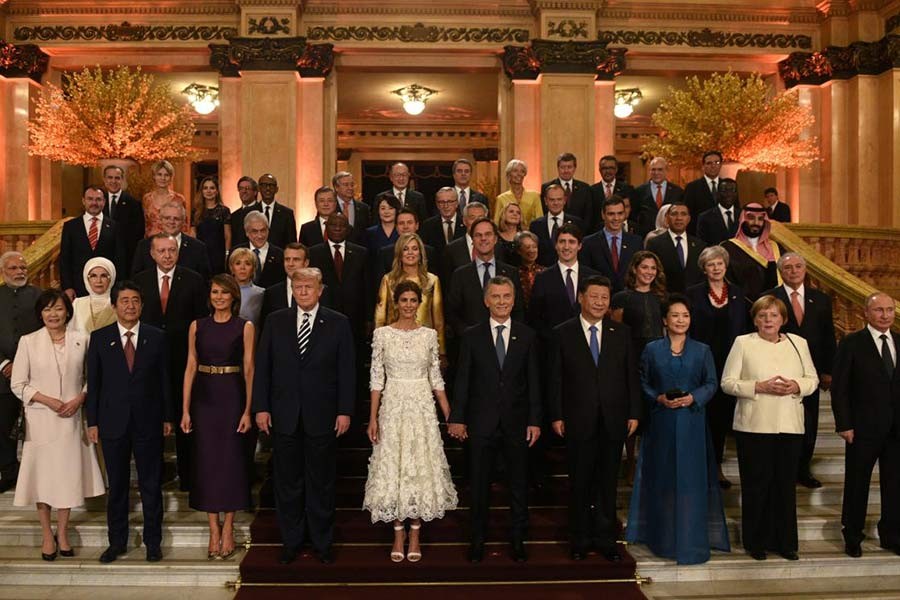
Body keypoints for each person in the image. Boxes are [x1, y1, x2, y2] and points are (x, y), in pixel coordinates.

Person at [252, 268, 355, 565]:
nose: (303, 292)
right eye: (298, 287)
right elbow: (264, 367)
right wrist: (262, 406)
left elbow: (346, 372)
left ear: (320, 289)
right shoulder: (275, 321)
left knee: (321, 482)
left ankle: (322, 542)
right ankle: (292, 541)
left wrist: (345, 410)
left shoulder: (338, 323)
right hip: (284, 415)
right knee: (287, 483)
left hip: (322, 415)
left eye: (309, 286)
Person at [625, 294, 730, 564]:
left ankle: (690, 539)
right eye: (675, 315)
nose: (680, 320)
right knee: (662, 479)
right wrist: (657, 397)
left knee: (690, 482)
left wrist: (694, 397)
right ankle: (662, 539)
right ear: (664, 320)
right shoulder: (651, 349)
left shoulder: (702, 350)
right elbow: (643, 381)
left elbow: (711, 382)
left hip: (692, 422)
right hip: (661, 423)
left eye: (685, 315)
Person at [548, 275, 640, 562]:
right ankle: (580, 539)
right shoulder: (562, 333)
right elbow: (555, 379)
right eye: (594, 296)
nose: (600, 302)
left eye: (605, 297)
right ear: (581, 298)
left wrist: (634, 412)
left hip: (614, 419)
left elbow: (631, 377)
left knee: (607, 482)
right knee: (580, 482)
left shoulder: (621, 333)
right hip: (577, 418)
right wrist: (556, 414)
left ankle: (605, 539)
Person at [449, 276, 541, 563]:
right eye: (496, 297)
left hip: (517, 422)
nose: (502, 302)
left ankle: (518, 539)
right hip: (481, 422)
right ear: (486, 300)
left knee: (518, 484)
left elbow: (534, 382)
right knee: (478, 485)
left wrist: (535, 419)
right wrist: (458, 418)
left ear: (514, 301)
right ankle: (477, 540)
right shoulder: (472, 336)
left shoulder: (527, 336)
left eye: (506, 297)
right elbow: (463, 379)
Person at [721, 295, 818, 561]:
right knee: (756, 485)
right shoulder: (743, 343)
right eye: (762, 316)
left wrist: (796, 385)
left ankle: (785, 542)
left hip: (790, 424)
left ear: (783, 319)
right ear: (755, 319)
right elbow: (727, 382)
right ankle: (756, 542)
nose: (768, 320)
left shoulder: (799, 343)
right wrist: (757, 387)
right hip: (754, 425)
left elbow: (813, 379)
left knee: (785, 486)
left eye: (774, 315)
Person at [365, 280, 456, 562]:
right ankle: (398, 532)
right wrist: (372, 418)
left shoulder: (429, 335)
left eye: (412, 300)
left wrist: (449, 413)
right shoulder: (381, 335)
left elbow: (435, 378)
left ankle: (415, 531)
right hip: (393, 405)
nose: (407, 305)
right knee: (395, 466)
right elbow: (376, 379)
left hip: (421, 407)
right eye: (403, 300)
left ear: (419, 304)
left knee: (418, 467)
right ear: (396, 302)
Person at [10, 289, 105, 560]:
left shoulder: (82, 340)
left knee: (66, 477)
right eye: (48, 309)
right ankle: (46, 534)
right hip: (41, 419)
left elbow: (92, 377)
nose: (53, 314)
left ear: (68, 312)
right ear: (40, 314)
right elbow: (18, 383)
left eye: (59, 308)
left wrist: (80, 398)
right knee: (43, 478)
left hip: (72, 419)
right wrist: (46, 400)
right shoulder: (28, 342)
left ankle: (62, 533)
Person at [86, 281, 174, 563]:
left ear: (142, 304)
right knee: (118, 487)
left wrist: (168, 416)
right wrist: (93, 421)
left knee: (150, 484)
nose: (130, 306)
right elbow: (95, 384)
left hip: (149, 421)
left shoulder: (156, 336)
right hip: (112, 423)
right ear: (114, 305)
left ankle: (152, 542)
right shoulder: (99, 338)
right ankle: (117, 543)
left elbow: (165, 381)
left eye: (135, 300)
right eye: (124, 301)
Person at [181, 274, 254, 560]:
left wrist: (248, 409)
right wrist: (185, 409)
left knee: (231, 463)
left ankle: (229, 528)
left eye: (225, 293)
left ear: (234, 296)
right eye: (215, 292)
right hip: (204, 397)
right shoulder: (197, 326)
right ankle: (213, 528)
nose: (219, 297)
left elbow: (249, 369)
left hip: (232, 396)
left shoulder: (244, 326)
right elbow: (190, 365)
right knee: (207, 463)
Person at [133, 234, 208, 491]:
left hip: (183, 361)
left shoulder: (194, 280)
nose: (167, 255)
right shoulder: (139, 281)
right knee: (152, 421)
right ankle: (156, 475)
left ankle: (188, 476)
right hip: (149, 363)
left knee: (185, 418)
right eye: (162, 251)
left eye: (172, 250)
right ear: (152, 254)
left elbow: (200, 323)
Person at [831, 292, 900, 559]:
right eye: (879, 310)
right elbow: (840, 389)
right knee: (857, 483)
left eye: (889, 310)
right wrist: (844, 424)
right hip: (862, 428)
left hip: (896, 430)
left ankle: (891, 535)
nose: (885, 315)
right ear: (866, 313)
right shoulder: (851, 343)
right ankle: (852, 535)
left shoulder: (898, 340)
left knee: (895, 485)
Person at [762, 252, 835, 489]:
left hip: (810, 373)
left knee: (809, 423)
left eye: (798, 266)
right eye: (788, 267)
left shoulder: (821, 299)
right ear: (781, 272)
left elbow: (828, 337)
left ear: (805, 270)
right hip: (778, 371)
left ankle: (803, 469)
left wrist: (828, 371)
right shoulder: (768, 298)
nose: (793, 271)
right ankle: (782, 470)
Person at [686, 246, 749, 489]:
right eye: (710, 264)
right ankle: (696, 468)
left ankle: (717, 468)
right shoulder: (692, 294)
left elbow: (743, 329)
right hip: (700, 362)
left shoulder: (737, 294)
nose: (715, 268)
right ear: (704, 268)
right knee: (700, 415)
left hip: (730, 363)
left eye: (719, 263)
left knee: (721, 419)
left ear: (725, 266)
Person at [0, 252, 42, 492]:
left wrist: (25, 364)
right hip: (2, 374)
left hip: (34, 373)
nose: (20, 272)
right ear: (4, 271)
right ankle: (8, 471)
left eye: (23, 267)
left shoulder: (39, 296)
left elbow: (47, 330)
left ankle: (35, 473)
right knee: (2, 425)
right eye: (14, 268)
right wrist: (5, 363)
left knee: (35, 425)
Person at [447, 217, 524, 339]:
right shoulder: (460, 275)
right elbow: (452, 313)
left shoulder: (511, 273)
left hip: (505, 339)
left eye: (488, 234)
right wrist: (468, 335)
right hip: (471, 342)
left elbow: (519, 309)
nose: (483, 239)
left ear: (495, 239)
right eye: (478, 235)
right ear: (472, 240)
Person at [374, 233, 445, 357]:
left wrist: (441, 352)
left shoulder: (432, 280)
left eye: (414, 249)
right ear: (399, 254)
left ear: (420, 253)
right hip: (394, 345)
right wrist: (378, 350)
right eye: (405, 249)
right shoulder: (388, 280)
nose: (410, 253)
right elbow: (380, 318)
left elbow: (438, 321)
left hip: (424, 346)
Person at [527, 224, 599, 343]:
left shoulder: (593, 277)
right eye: (562, 242)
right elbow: (535, 318)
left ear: (579, 245)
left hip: (587, 344)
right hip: (553, 345)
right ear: (556, 245)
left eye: (571, 242)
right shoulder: (542, 278)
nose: (566, 247)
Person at [308, 213, 370, 349]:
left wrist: (368, 319)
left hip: (354, 319)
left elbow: (367, 288)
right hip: (323, 316)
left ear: (348, 229)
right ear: (326, 227)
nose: (337, 228)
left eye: (342, 226)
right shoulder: (313, 253)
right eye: (333, 225)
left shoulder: (361, 253)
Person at [60, 185, 126, 299]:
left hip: (107, 289)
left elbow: (120, 259)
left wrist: (118, 288)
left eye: (98, 199)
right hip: (78, 289)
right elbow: (65, 259)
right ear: (83, 201)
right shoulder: (71, 226)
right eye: (90, 199)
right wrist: (67, 287)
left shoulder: (115, 227)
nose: (94, 203)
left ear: (104, 202)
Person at [132, 202, 212, 281]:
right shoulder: (144, 245)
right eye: (167, 218)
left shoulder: (198, 248)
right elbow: (136, 279)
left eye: (176, 219)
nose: (171, 222)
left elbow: (204, 282)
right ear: (160, 220)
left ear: (184, 221)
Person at [580, 196, 643, 294]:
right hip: (599, 300)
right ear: (603, 215)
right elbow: (585, 276)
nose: (616, 218)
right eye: (611, 214)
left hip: (628, 300)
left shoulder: (636, 242)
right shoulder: (589, 243)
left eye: (620, 213)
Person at [722, 203, 782, 303]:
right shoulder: (728, 248)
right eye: (751, 218)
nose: (756, 223)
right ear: (742, 220)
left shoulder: (775, 248)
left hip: (772, 308)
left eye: (760, 219)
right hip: (741, 305)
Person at [645, 202, 707, 293]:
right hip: (665, 298)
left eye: (683, 214)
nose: (679, 218)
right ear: (666, 218)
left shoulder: (700, 245)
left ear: (689, 219)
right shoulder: (654, 243)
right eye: (674, 214)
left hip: (694, 300)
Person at [529, 183, 587, 267]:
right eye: (552, 200)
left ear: (564, 200)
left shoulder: (577, 223)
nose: (556, 203)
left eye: (559, 199)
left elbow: (581, 250)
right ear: (545, 201)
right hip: (543, 272)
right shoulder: (535, 225)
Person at [102, 164, 145, 277]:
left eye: (117, 178)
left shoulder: (133, 203)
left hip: (125, 260)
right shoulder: (98, 201)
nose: (113, 181)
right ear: (104, 179)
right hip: (102, 259)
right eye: (110, 177)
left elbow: (138, 233)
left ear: (122, 180)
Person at [232, 211, 286, 289]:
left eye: (263, 230)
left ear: (268, 231)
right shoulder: (235, 253)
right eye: (255, 231)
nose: (260, 236)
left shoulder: (280, 255)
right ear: (247, 232)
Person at [630, 157, 683, 237]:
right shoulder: (639, 191)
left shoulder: (677, 191)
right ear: (649, 171)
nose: (656, 173)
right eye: (653, 169)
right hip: (645, 236)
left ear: (666, 171)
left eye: (660, 169)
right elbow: (634, 215)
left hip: (671, 236)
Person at [442, 201, 488, 293]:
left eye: (480, 218)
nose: (476, 221)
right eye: (472, 217)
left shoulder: (496, 246)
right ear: (464, 221)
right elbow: (447, 284)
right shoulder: (452, 249)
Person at [540, 152, 593, 230]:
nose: (566, 170)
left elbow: (588, 215)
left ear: (575, 168)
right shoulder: (546, 187)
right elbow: (544, 212)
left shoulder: (585, 188)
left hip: (578, 232)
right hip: (554, 230)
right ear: (558, 168)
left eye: (569, 167)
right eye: (563, 167)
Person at [190, 177, 231, 275]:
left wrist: (227, 255)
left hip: (218, 254)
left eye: (212, 188)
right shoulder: (195, 211)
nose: (209, 191)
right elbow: (193, 234)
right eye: (205, 188)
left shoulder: (224, 210)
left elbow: (227, 236)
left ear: (217, 191)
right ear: (202, 191)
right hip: (201, 253)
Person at [69, 257, 117, 335]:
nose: (98, 281)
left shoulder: (118, 304)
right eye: (93, 276)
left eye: (104, 276)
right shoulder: (77, 304)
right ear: (87, 279)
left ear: (111, 279)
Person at [682, 151, 723, 235]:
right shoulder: (692, 187)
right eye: (709, 163)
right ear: (703, 166)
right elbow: (687, 213)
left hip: (724, 236)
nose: (713, 166)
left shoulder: (728, 186)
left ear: (721, 165)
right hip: (700, 235)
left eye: (717, 162)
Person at [143, 160, 188, 237]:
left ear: (171, 177)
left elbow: (184, 225)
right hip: (151, 243)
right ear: (154, 176)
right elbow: (145, 224)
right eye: (159, 174)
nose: (163, 178)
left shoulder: (179, 199)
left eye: (166, 175)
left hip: (172, 243)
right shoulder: (147, 199)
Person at [495, 159, 543, 229]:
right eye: (515, 171)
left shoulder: (535, 196)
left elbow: (540, 221)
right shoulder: (501, 198)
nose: (519, 174)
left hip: (530, 235)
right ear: (509, 174)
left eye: (522, 171)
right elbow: (496, 223)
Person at [591, 155, 634, 231]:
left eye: (611, 168)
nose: (608, 171)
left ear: (616, 169)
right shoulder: (591, 190)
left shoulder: (627, 189)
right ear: (600, 170)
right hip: (597, 233)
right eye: (604, 168)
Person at [256, 173, 297, 251]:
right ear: (259, 188)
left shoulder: (287, 214)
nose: (268, 188)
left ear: (276, 189)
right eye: (264, 185)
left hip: (279, 259)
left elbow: (291, 242)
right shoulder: (249, 212)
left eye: (271, 185)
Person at [421, 187, 465, 256]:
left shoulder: (465, 223)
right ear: (437, 205)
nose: (446, 206)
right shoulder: (428, 225)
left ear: (456, 203)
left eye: (450, 201)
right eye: (442, 202)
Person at [696, 178, 741, 247]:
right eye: (724, 191)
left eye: (732, 190)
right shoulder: (705, 217)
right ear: (717, 193)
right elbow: (702, 245)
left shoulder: (742, 215)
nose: (729, 194)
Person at [228, 248, 264, 330]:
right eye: (238, 263)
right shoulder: (222, 292)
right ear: (231, 268)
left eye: (247, 264)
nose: (242, 267)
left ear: (253, 269)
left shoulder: (261, 294)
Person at [333, 171, 372, 244]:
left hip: (358, 251)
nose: (350, 188)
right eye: (346, 185)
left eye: (352, 184)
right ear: (336, 187)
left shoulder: (364, 208)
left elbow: (367, 233)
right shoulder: (330, 207)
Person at [365, 194, 402, 261]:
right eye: (383, 208)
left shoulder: (403, 231)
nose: (386, 212)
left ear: (396, 210)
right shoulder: (369, 233)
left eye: (390, 208)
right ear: (378, 211)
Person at [515, 231, 544, 308]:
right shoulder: (513, 273)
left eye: (534, 246)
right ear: (519, 251)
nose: (531, 250)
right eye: (527, 247)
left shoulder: (545, 272)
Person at [230, 176, 260, 249]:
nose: (244, 191)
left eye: (247, 188)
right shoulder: (233, 216)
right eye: (241, 189)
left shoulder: (261, 211)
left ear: (255, 192)